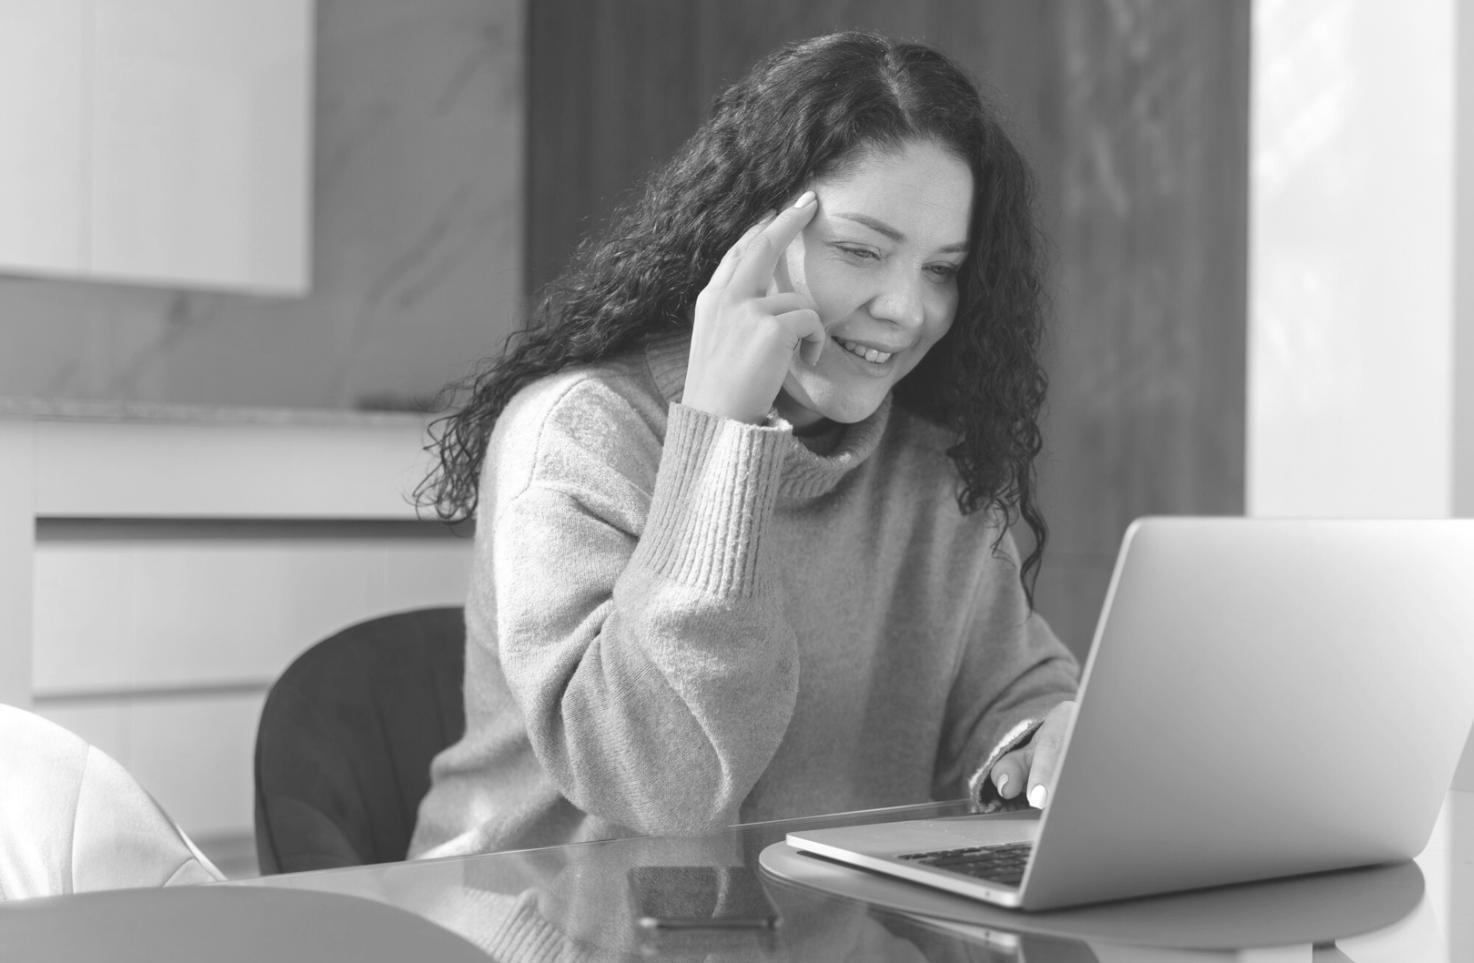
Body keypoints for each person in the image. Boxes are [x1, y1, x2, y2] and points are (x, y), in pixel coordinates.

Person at [409, 30, 1079, 860]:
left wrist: (1047, 735)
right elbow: (659, 779)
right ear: (744, 240)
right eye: (860, 251)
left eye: (942, 269)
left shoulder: (928, 473)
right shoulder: (578, 430)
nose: (906, 309)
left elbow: (1013, 690)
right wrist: (722, 432)